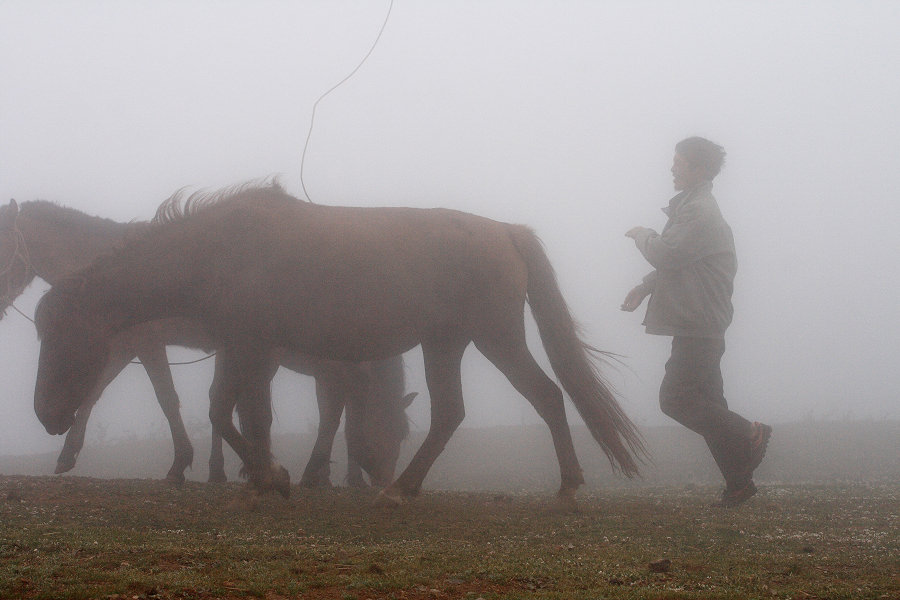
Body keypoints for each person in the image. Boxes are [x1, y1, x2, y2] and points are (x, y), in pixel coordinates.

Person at [622, 136, 771, 507]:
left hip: (699, 324)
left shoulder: (699, 211)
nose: (672, 167)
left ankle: (749, 432)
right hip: (701, 322)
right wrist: (644, 288)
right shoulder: (692, 208)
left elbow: (668, 254)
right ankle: (739, 484)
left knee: (674, 400)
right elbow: (682, 262)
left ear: (699, 169)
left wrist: (642, 235)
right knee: (710, 405)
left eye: (679, 162)